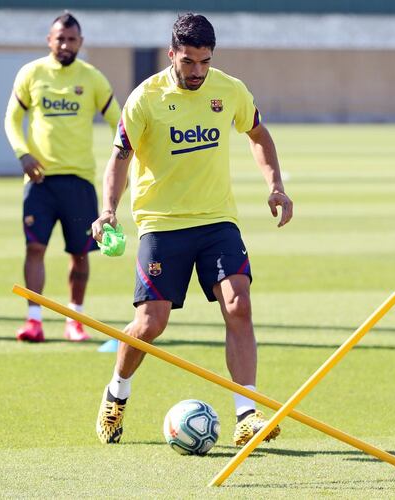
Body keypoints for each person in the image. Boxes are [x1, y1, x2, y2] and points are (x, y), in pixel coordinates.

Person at [91, 13, 293, 446]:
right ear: (172, 55)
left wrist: (275, 185)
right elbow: (120, 158)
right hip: (162, 225)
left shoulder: (230, 89)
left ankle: (247, 413)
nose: (198, 71)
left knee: (238, 305)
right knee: (150, 323)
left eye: (204, 61)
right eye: (189, 62)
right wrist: (108, 209)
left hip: (218, 220)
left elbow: (258, 134)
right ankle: (117, 393)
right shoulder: (145, 98)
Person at [4, 12, 121, 343]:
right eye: (60, 38)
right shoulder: (32, 73)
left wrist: (121, 155)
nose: (65, 44)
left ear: (80, 43)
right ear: (49, 40)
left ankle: (75, 318)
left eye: (71, 39)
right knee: (35, 248)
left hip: (80, 180)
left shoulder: (93, 78)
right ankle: (34, 320)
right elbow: (11, 119)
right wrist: (22, 153)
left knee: (80, 253)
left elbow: (119, 121)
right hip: (40, 180)